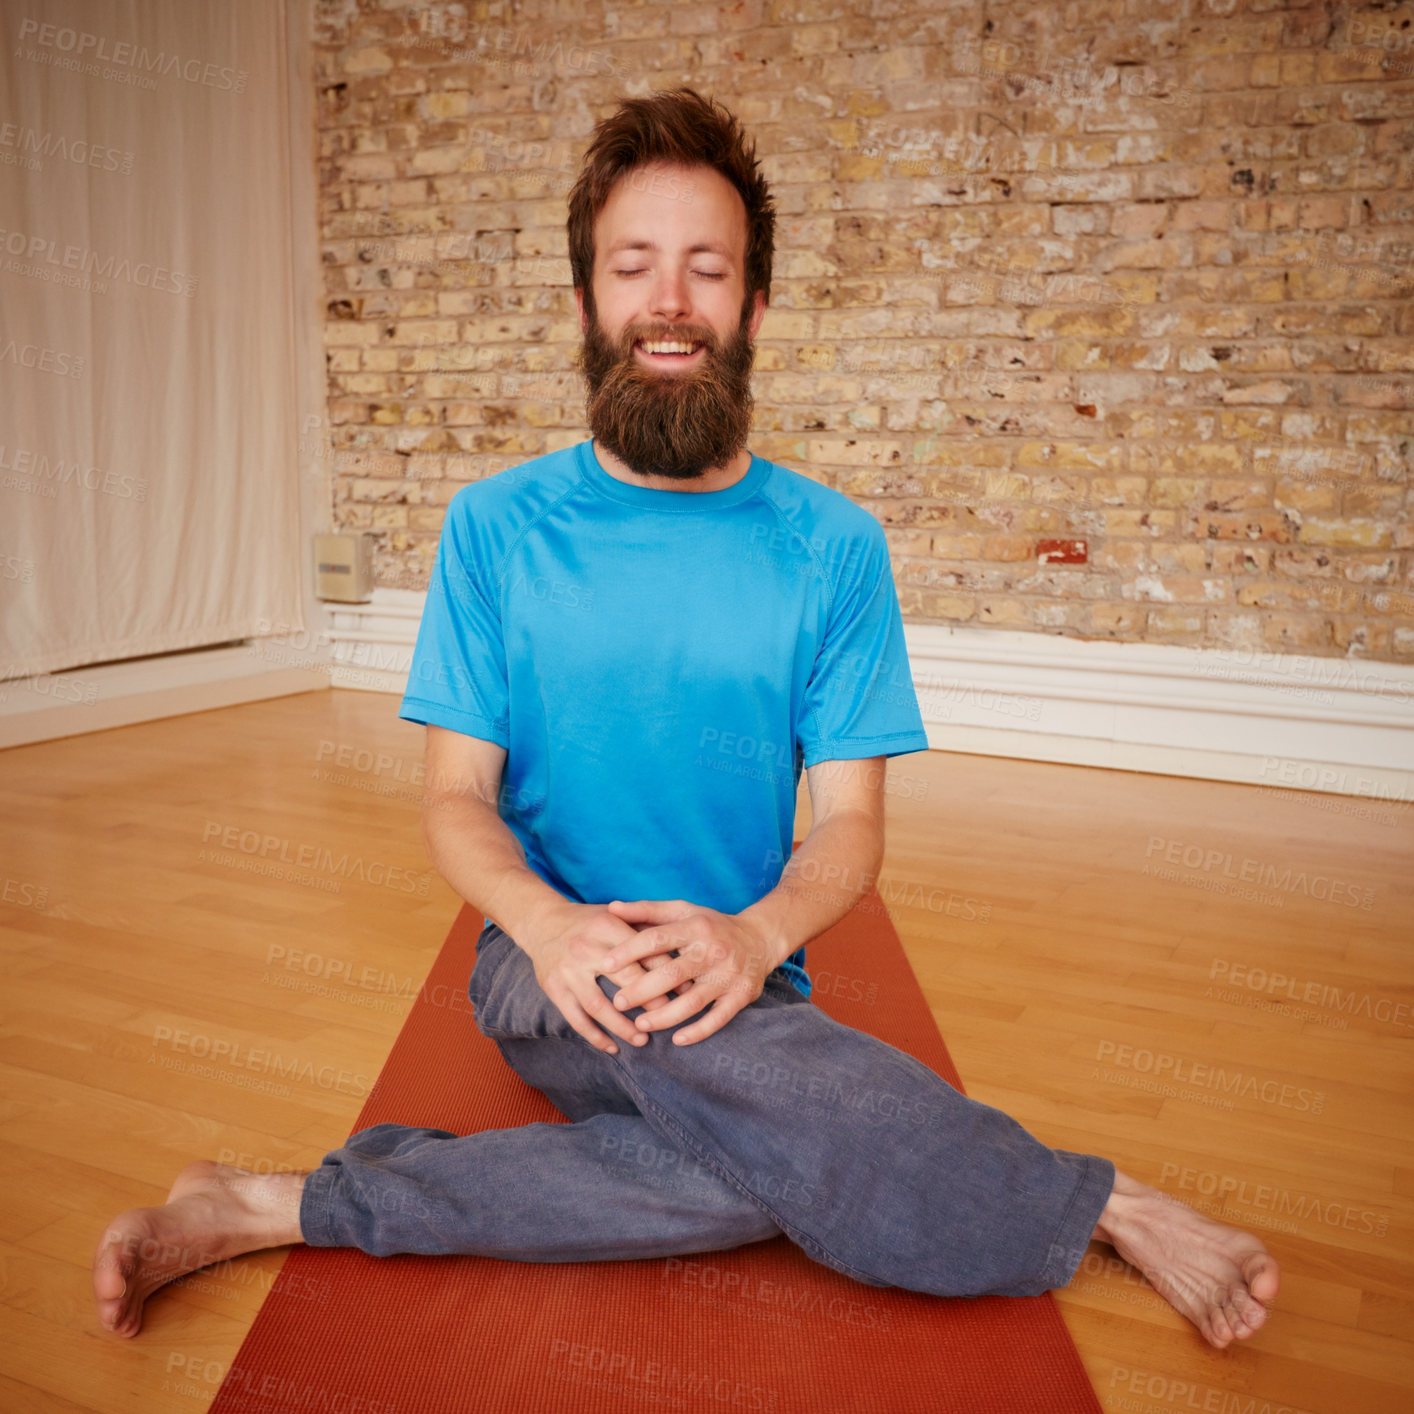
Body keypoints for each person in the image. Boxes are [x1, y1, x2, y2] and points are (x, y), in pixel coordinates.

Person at [93, 86, 1278, 1351]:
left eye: (706, 270)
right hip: (545, 968)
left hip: (744, 990)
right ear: (588, 302)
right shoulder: (496, 528)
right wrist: (547, 927)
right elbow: (452, 801)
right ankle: (1107, 1205)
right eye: (634, 267)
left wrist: (757, 934)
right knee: (791, 1143)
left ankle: (271, 1200)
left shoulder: (833, 546)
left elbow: (853, 829)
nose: (670, 301)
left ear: (752, 308)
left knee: (740, 1181)